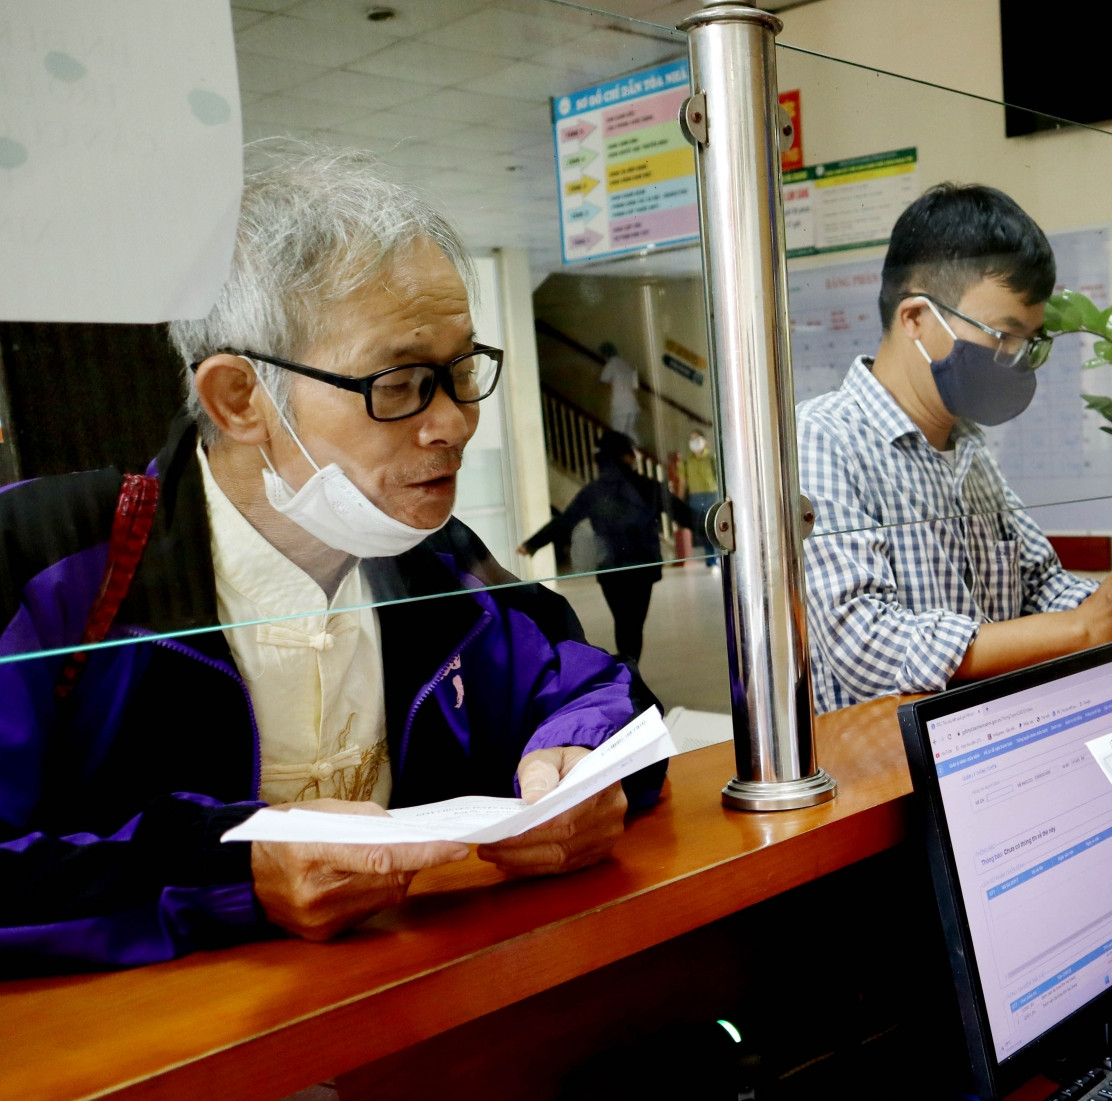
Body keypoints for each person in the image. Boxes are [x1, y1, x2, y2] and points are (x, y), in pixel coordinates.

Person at [0, 148, 668, 973]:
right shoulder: (49, 559)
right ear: (240, 398)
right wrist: (234, 873)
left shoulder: (437, 560)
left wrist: (582, 767)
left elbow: (602, 690)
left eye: (462, 371)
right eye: (399, 383)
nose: (455, 423)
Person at [798, 182, 1112, 711]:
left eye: (1028, 343)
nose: (1014, 359)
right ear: (916, 319)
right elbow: (869, 647)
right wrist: (1087, 624)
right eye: (1002, 335)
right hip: (880, 774)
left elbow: (1040, 588)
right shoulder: (823, 440)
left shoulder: (969, 449)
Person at [519, 430, 695, 667]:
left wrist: (533, 544)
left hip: (611, 568)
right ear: (626, 457)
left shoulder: (594, 491)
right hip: (642, 566)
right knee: (633, 625)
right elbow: (683, 514)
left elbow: (566, 521)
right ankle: (629, 670)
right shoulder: (647, 486)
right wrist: (717, 528)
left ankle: (627, 670)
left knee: (623, 623)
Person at [681, 430, 721, 571]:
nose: (694, 442)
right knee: (702, 529)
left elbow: (720, 477)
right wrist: (680, 500)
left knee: (713, 526)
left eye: (697, 439)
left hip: (711, 494)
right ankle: (710, 558)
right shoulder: (687, 461)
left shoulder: (712, 458)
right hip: (695, 497)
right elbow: (682, 481)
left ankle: (715, 557)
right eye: (692, 439)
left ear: (704, 441)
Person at [597, 341, 641, 441]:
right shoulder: (627, 365)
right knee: (630, 431)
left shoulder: (611, 364)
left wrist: (607, 384)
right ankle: (638, 453)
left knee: (617, 433)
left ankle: (623, 454)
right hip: (632, 404)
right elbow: (635, 386)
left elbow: (602, 380)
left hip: (620, 405)